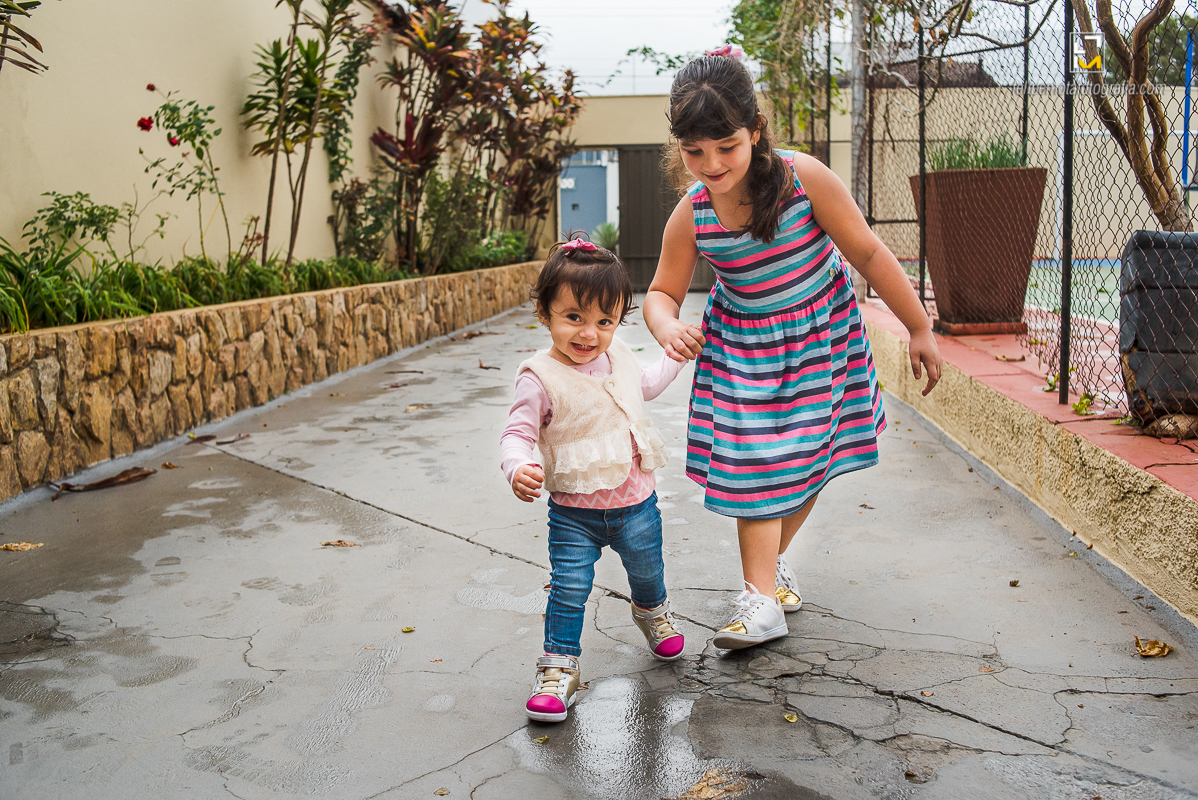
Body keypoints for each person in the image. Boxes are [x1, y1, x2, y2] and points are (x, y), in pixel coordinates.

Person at [644, 54, 942, 651]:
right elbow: (659, 291)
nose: (712, 165)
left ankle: (768, 570)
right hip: (742, 353)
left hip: (819, 342)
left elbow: (871, 255)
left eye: (725, 146)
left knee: (811, 460)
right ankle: (759, 602)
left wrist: (919, 327)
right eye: (695, 153)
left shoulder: (804, 180)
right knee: (758, 466)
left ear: (755, 128)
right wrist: (665, 325)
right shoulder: (694, 213)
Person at [501, 236, 696, 722]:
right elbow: (517, 433)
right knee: (569, 587)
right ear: (544, 313)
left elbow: (644, 385)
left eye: (604, 321)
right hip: (573, 515)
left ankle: (651, 613)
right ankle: (558, 666)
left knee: (648, 573)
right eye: (574, 318)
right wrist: (517, 466)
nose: (589, 333)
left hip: (636, 504)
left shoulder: (621, 355)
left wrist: (674, 353)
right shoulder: (539, 377)